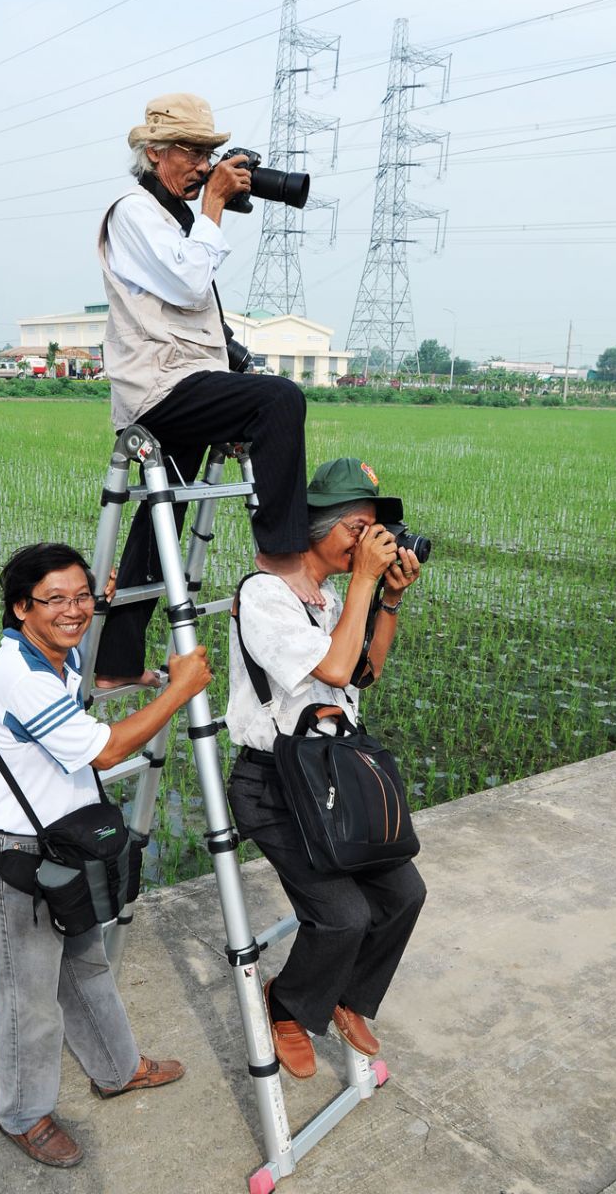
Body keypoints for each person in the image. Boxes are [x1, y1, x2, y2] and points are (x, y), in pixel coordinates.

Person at [0, 542, 211, 1168]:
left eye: (82, 597)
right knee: (26, 1000)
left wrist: (139, 662)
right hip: (17, 863)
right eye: (55, 600)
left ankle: (117, 1069)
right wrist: (178, 690)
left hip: (62, 850)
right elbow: (102, 751)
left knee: (86, 968)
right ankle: (23, 1116)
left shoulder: (57, 654)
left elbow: (92, 677)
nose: (73, 611)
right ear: (21, 608)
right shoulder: (17, 675)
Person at [94, 91, 317, 689]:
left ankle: (113, 662)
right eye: (192, 153)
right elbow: (191, 284)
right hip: (160, 387)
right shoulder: (131, 213)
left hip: (183, 381)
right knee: (281, 399)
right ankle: (279, 556)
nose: (202, 165)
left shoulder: (175, 221)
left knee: (157, 524)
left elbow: (197, 316)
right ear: (155, 153)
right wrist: (216, 202)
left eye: (209, 154)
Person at [225, 458, 427, 1078]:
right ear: (316, 527)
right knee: (343, 915)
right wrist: (367, 581)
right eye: (358, 529)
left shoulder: (329, 597)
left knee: (404, 894)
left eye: (372, 532)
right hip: (275, 784)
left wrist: (387, 595)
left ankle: (348, 997)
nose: (366, 543)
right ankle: (286, 1005)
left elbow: (363, 670)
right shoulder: (263, 596)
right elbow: (334, 670)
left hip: (332, 774)